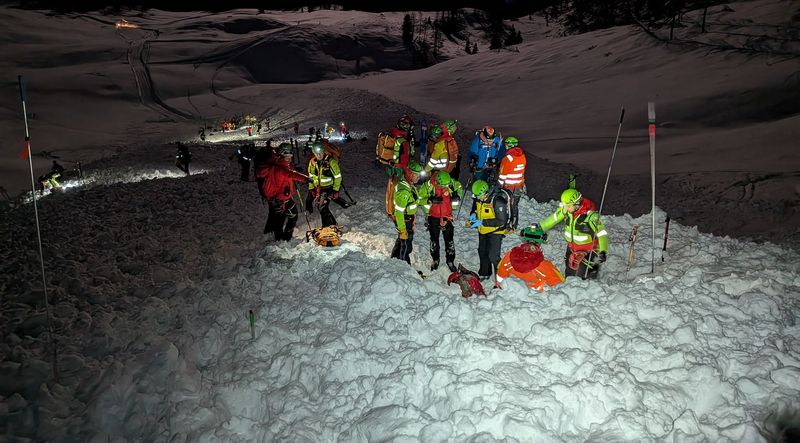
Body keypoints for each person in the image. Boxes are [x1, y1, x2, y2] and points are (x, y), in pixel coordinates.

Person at [536, 188, 608, 279]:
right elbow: (554, 218)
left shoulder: (591, 217)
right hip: (572, 249)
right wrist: (540, 227)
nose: (566, 208)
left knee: (584, 278)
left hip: (589, 252)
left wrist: (603, 251)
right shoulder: (567, 210)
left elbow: (602, 234)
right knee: (569, 274)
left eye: (568, 206)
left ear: (577, 204)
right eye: (565, 206)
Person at [255, 143, 308, 240]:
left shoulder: (280, 163)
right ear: (281, 155)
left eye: (290, 156)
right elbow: (290, 174)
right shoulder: (279, 168)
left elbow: (289, 170)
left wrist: (294, 168)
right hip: (279, 199)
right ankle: (281, 240)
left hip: (283, 197)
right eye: (287, 156)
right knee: (282, 220)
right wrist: (306, 179)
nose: (289, 158)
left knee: (286, 217)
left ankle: (282, 237)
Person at [466, 179, 513, 281]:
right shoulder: (479, 198)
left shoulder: (498, 201)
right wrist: (473, 216)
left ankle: (499, 279)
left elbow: (501, 221)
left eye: (478, 195)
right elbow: (475, 209)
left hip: (496, 231)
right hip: (483, 230)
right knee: (482, 252)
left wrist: (482, 222)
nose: (476, 198)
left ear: (486, 192)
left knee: (493, 256)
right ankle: (484, 273)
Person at [417, 170, 463, 272]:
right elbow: (419, 198)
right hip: (433, 217)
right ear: (437, 181)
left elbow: (459, 187)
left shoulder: (450, 182)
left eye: (446, 185)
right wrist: (429, 200)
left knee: (449, 240)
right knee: (434, 239)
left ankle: (450, 261)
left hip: (447, 216)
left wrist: (457, 195)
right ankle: (435, 259)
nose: (445, 187)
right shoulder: (428, 185)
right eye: (443, 186)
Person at [496, 225, 565, 291]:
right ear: (540, 242)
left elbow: (500, 278)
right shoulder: (546, 266)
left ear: (524, 239)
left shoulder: (508, 257)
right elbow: (561, 286)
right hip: (534, 299)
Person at [391, 161, 422, 265]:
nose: (418, 178)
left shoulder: (407, 183)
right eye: (417, 175)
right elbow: (399, 212)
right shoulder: (404, 190)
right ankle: (405, 265)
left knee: (401, 242)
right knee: (406, 245)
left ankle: (394, 259)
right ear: (410, 174)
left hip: (408, 219)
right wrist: (402, 229)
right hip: (404, 220)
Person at [305, 141, 343, 227]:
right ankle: (333, 224)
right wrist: (311, 188)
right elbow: (311, 176)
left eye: (321, 153)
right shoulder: (312, 162)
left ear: (324, 151)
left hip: (329, 188)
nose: (319, 155)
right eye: (317, 154)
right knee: (322, 207)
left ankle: (326, 227)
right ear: (314, 153)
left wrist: (336, 190)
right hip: (319, 188)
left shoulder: (331, 162)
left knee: (322, 206)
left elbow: (338, 177)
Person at [497, 136, 527, 230]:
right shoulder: (522, 156)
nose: (505, 146)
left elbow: (502, 175)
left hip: (508, 188)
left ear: (510, 145)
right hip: (519, 186)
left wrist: (499, 185)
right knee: (514, 207)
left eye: (506, 144)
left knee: (506, 206)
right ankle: (514, 224)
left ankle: (506, 225)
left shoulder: (507, 158)